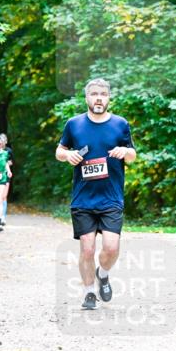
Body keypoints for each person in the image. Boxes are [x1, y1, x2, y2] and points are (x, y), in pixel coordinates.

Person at [55, 78, 136, 310]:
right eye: (94, 94)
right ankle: (89, 292)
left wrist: (124, 151)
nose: (98, 98)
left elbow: (132, 154)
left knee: (111, 247)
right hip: (83, 198)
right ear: (87, 97)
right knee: (87, 248)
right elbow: (59, 150)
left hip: (111, 197)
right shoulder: (74, 124)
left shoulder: (120, 124)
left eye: (103, 94)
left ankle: (103, 273)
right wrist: (67, 155)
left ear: (109, 98)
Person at [0, 133, 13, 228]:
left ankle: (2, 217)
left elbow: (11, 162)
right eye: (1, 140)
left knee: (3, 196)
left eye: (4, 140)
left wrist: (6, 164)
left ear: (6, 142)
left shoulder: (8, 151)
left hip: (5, 176)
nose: (3, 142)